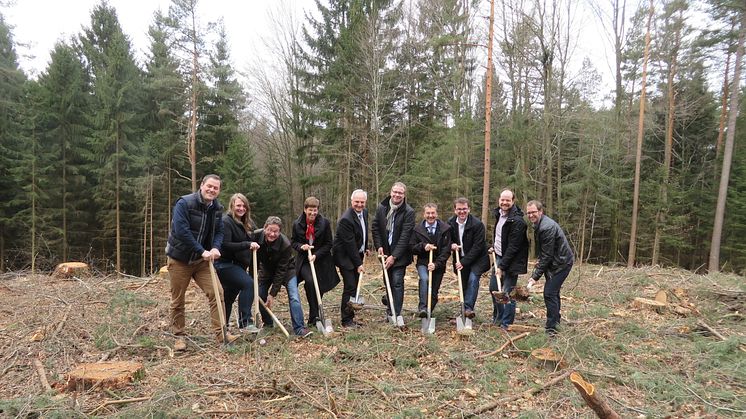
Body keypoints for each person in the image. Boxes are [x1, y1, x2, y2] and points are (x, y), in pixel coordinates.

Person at [165, 174, 238, 350]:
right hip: (180, 259)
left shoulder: (217, 208)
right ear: (202, 185)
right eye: (209, 186)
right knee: (178, 300)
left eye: (216, 188)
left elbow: (219, 232)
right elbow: (181, 231)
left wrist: (215, 248)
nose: (212, 190)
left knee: (217, 293)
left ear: (219, 191)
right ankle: (179, 337)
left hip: (202, 261)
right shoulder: (185, 203)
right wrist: (201, 250)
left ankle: (222, 334)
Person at [255, 216, 313, 338]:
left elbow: (281, 271)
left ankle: (299, 328)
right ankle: (268, 324)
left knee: (294, 296)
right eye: (270, 230)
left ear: (280, 232)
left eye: (276, 231)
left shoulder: (285, 244)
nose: (272, 234)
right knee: (260, 295)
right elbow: (251, 257)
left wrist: (273, 294)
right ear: (264, 228)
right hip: (266, 270)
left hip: (287, 270)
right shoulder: (256, 236)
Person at [526, 200, 574, 335]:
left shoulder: (546, 227)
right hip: (555, 262)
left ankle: (551, 329)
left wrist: (535, 277)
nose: (531, 215)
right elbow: (546, 250)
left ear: (540, 211)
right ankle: (555, 322)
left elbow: (548, 255)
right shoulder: (539, 224)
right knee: (554, 292)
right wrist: (541, 259)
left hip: (562, 263)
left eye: (533, 212)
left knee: (549, 293)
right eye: (528, 213)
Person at [291, 197, 340, 329]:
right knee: (311, 282)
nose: (313, 213)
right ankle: (314, 315)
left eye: (315, 210)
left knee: (319, 285)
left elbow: (329, 243)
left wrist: (316, 255)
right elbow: (293, 242)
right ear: (304, 210)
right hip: (305, 261)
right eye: (310, 210)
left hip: (321, 259)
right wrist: (301, 246)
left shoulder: (324, 223)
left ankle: (314, 316)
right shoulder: (297, 224)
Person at [371, 182, 415, 327]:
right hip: (385, 253)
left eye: (400, 193)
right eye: (395, 192)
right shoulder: (382, 208)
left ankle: (396, 313)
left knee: (397, 282)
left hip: (400, 255)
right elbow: (376, 228)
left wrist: (394, 256)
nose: (397, 195)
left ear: (404, 195)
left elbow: (405, 236)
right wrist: (379, 247)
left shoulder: (408, 212)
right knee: (388, 282)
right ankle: (389, 310)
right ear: (391, 192)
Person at [215, 193, 260, 333]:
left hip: (239, 266)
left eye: (244, 206)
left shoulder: (248, 223)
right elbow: (226, 245)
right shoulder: (226, 221)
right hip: (225, 264)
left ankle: (223, 326)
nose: (241, 208)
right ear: (232, 206)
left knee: (229, 296)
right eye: (238, 205)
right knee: (248, 284)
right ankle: (245, 323)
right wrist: (247, 244)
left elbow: (256, 238)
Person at [489, 188, 529, 330]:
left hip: (512, 261)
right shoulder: (499, 214)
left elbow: (513, 247)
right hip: (499, 256)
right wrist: (494, 246)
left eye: (508, 200)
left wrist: (501, 267)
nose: (504, 202)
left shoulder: (518, 221)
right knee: (494, 288)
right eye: (502, 199)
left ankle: (507, 323)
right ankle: (498, 318)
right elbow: (501, 236)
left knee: (507, 292)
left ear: (513, 201)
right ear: (499, 200)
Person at [447, 197, 490, 319]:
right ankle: (464, 310)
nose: (462, 212)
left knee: (473, 279)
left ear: (469, 209)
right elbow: (446, 240)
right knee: (464, 284)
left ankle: (468, 308)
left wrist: (464, 262)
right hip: (460, 258)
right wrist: (451, 244)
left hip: (478, 259)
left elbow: (478, 247)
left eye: (464, 209)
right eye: (459, 209)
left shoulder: (477, 225)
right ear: (455, 210)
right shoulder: (450, 223)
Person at [334, 189, 369, 328]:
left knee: (354, 287)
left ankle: (350, 317)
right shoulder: (346, 220)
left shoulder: (364, 213)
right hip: (345, 257)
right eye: (357, 202)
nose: (359, 204)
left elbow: (363, 232)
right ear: (351, 201)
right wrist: (359, 264)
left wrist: (365, 247)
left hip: (355, 254)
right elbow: (350, 245)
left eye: (362, 202)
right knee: (350, 286)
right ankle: (346, 320)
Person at [410, 203, 452, 318]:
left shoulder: (445, 229)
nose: (430, 215)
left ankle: (428, 312)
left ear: (436, 214)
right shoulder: (417, 229)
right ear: (424, 214)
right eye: (428, 213)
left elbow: (446, 250)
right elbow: (412, 247)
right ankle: (423, 308)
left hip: (439, 264)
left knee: (433, 292)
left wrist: (436, 264)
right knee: (424, 279)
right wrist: (423, 246)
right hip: (423, 263)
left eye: (433, 213)